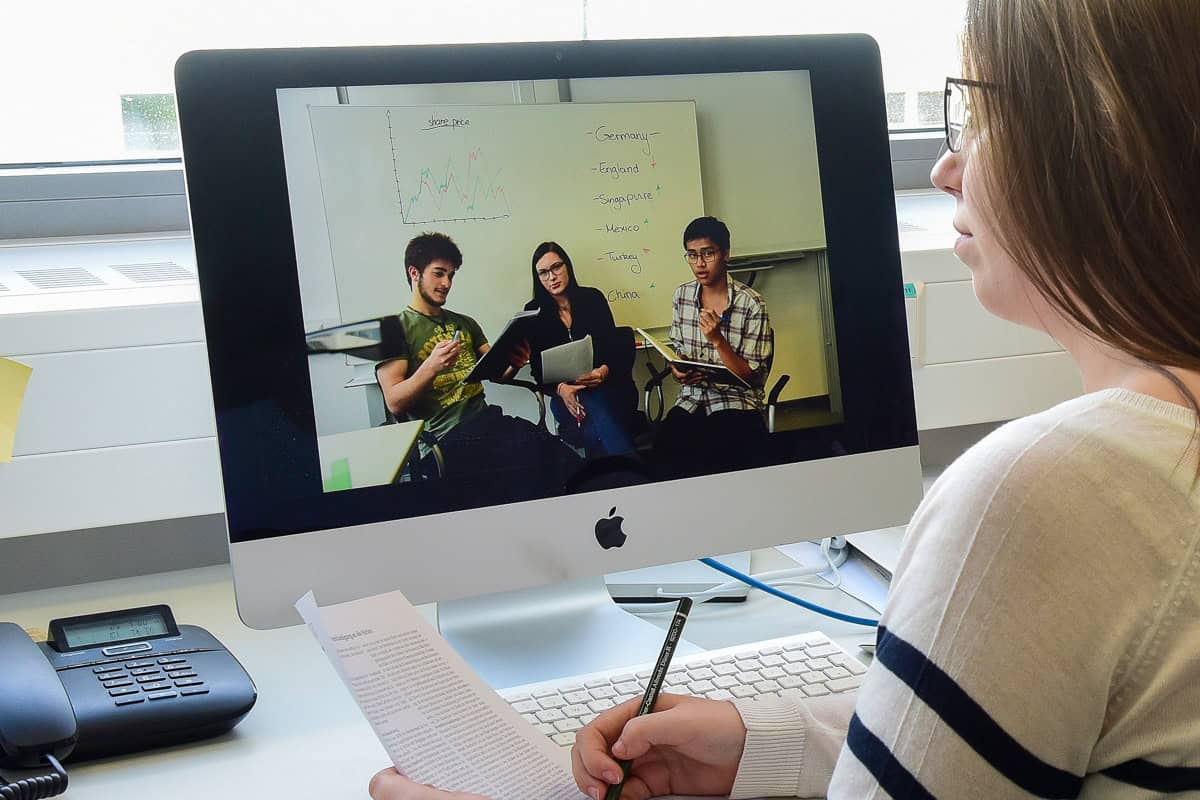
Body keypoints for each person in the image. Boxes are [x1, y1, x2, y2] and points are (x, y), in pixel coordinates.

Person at [368, 2, 1200, 797]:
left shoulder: (1036, 499)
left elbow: (750, 380)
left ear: (1105, 143)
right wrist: (768, 742)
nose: (945, 167)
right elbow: (965, 736)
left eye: (979, 115)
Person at [375, 232, 581, 503]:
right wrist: (431, 367)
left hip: (489, 422)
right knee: (521, 482)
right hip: (445, 440)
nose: (447, 283)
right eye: (439, 273)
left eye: (451, 275)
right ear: (414, 273)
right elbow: (394, 403)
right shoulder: (392, 331)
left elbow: (498, 374)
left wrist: (514, 362)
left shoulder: (465, 323)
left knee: (566, 463)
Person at [653, 215, 773, 479]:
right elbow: (679, 353)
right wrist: (678, 370)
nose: (699, 263)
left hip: (736, 401)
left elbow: (751, 378)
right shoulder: (682, 296)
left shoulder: (752, 303)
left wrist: (718, 340)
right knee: (665, 450)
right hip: (692, 398)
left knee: (721, 452)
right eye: (692, 255)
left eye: (708, 254)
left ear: (725, 253)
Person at [523, 241, 639, 459]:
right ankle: (629, 467)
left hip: (605, 385)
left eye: (556, 267)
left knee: (597, 412)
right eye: (543, 273)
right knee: (598, 416)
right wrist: (561, 389)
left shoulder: (592, 298)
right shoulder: (533, 312)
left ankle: (612, 472)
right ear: (537, 278)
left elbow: (614, 349)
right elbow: (538, 369)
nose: (552, 277)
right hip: (567, 394)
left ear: (567, 266)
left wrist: (603, 371)